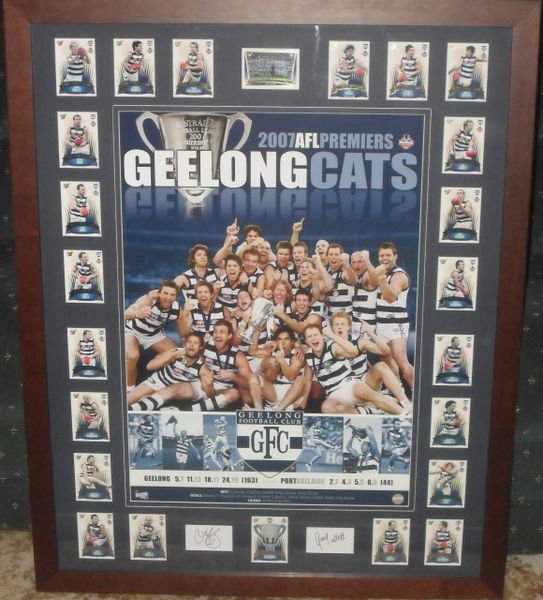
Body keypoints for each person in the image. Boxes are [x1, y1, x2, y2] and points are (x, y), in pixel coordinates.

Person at [302, 324, 406, 415]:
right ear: (306, 341)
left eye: (315, 335)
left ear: (322, 336)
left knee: (365, 392)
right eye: (309, 336)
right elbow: (307, 380)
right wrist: (304, 401)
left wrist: (332, 335)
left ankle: (404, 413)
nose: (313, 338)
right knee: (326, 407)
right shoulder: (308, 356)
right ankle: (368, 411)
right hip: (334, 394)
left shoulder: (332, 347)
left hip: (349, 384)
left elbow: (353, 352)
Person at [365, 243, 414, 390]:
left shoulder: (399, 275)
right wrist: (367, 261)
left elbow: (391, 297)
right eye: (382, 255)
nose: (385, 258)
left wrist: (381, 278)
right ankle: (398, 390)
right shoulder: (383, 272)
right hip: (381, 322)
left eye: (388, 255)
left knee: (400, 359)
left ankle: (417, 392)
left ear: (395, 256)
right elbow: (371, 281)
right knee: (385, 358)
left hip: (396, 322)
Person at [124, 280, 182, 390]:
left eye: (172, 295)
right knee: (132, 355)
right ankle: (129, 390)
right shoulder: (148, 300)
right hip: (133, 331)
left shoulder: (177, 309)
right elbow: (125, 314)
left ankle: (159, 380)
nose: (168, 297)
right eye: (165, 293)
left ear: (175, 297)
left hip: (153, 334)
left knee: (175, 354)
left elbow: (184, 330)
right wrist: (136, 314)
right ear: (158, 293)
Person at [128, 333, 207, 410]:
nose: (191, 345)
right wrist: (171, 356)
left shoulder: (202, 365)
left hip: (173, 391)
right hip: (158, 381)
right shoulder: (175, 351)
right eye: (189, 342)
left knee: (143, 401)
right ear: (185, 344)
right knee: (128, 400)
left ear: (200, 347)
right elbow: (150, 366)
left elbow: (204, 390)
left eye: (195, 343)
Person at [249, 327, 308, 410]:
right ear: (276, 342)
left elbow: (291, 377)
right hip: (274, 393)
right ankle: (259, 409)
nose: (283, 343)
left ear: (292, 342)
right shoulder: (272, 353)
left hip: (292, 395)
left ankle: (280, 409)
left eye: (286, 339)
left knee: (301, 379)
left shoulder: (297, 356)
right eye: (280, 339)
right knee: (253, 376)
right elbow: (252, 351)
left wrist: (282, 361)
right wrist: (256, 333)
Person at [200, 319, 253, 409]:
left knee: (236, 394)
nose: (217, 335)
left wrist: (232, 376)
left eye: (222, 332)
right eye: (215, 332)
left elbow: (250, 384)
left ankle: (196, 408)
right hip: (204, 384)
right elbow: (196, 357)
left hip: (223, 390)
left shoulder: (238, 355)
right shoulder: (207, 345)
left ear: (229, 336)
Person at [324, 243, 357, 316]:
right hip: (329, 317)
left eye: (336, 254)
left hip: (345, 317)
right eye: (331, 254)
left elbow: (354, 282)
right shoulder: (325, 273)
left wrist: (347, 264)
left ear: (341, 257)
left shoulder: (345, 272)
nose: (333, 257)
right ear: (327, 257)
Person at [350, 251, 378, 331]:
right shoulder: (353, 277)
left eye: (360, 261)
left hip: (367, 326)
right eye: (354, 262)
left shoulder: (367, 275)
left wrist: (367, 260)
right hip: (354, 326)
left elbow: (375, 280)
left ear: (365, 263)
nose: (357, 265)